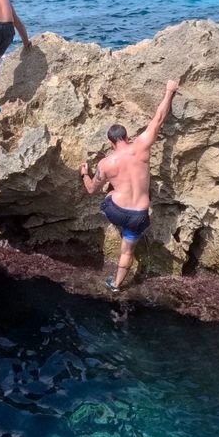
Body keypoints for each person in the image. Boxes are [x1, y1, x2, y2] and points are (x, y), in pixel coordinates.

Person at [80, 80, 180, 292]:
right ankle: (116, 285)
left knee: (109, 194)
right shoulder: (141, 146)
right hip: (139, 216)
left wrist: (84, 174)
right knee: (127, 252)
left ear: (111, 143)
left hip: (117, 213)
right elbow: (159, 118)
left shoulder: (106, 164)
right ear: (127, 137)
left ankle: (115, 208)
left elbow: (90, 189)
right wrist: (169, 91)